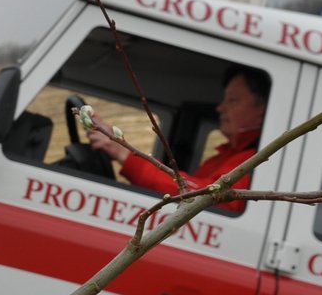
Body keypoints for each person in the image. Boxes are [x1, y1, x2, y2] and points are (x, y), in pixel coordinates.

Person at [87, 65, 268, 212]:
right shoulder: (225, 156)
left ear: (262, 110)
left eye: (233, 100)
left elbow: (207, 196)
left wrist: (125, 154)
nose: (220, 108)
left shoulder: (256, 163)